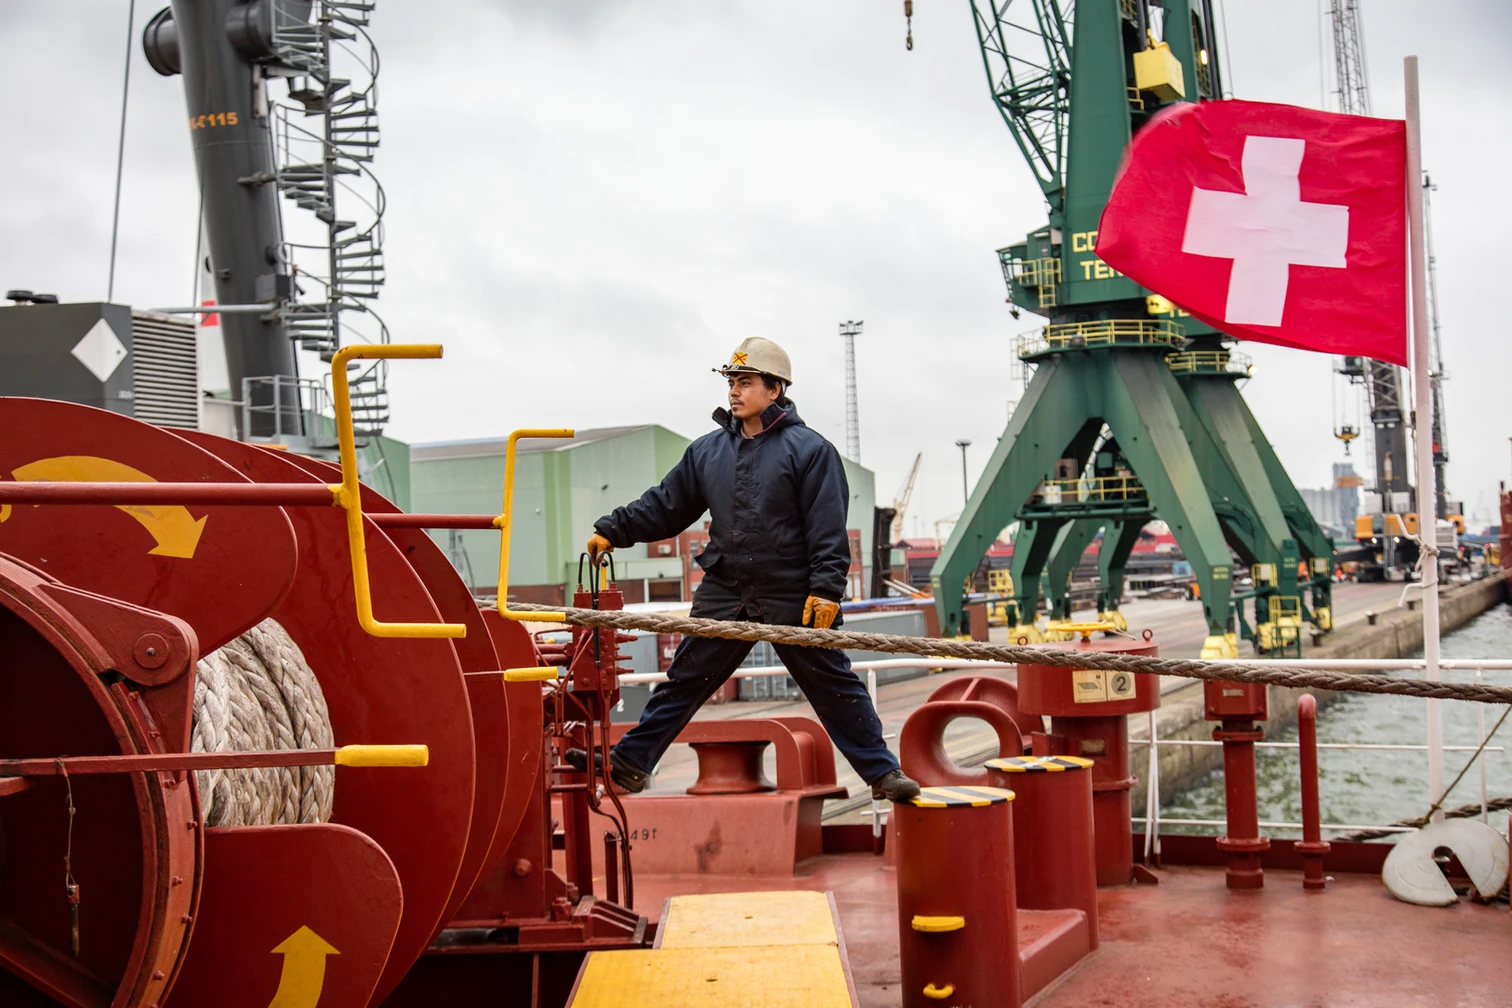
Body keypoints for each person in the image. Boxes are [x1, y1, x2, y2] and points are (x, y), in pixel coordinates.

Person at [564, 337, 920, 803]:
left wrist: (827, 588)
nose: (733, 390)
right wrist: (615, 528)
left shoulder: (810, 451)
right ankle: (630, 764)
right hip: (727, 586)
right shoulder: (708, 451)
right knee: (687, 677)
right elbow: (669, 504)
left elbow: (826, 526)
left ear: (775, 389)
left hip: (795, 591)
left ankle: (882, 773)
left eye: (745, 382)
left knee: (832, 684)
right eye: (731, 381)